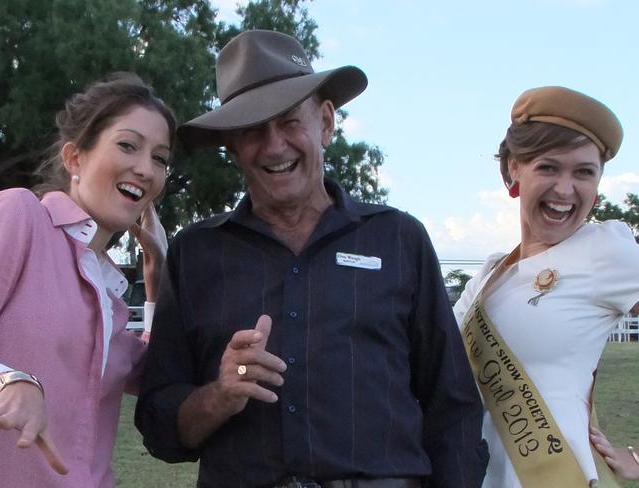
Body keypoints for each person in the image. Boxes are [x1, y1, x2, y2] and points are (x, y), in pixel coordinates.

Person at [135, 29, 488, 488]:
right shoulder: (198, 253)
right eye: (252, 130)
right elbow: (160, 428)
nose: (274, 145)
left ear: (325, 122)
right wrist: (221, 394)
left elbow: (453, 407)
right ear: (231, 146)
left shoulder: (399, 239)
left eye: (288, 121)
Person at [0, 73, 175, 487]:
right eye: (128, 145)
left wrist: (157, 277)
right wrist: (6, 379)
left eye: (160, 158)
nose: (145, 169)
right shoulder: (21, 217)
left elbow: (153, 374)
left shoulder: (109, 293)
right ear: (75, 158)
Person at [453, 86, 639, 487]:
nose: (565, 189)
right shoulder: (488, 275)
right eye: (548, 167)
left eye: (584, 172)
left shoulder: (606, 251)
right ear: (513, 169)